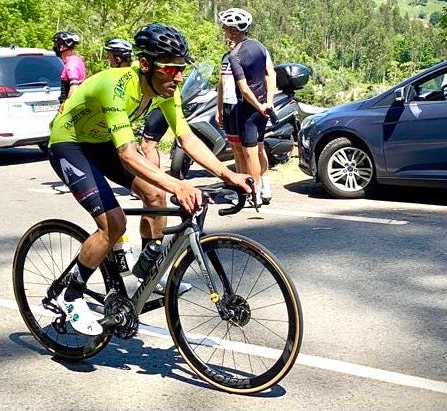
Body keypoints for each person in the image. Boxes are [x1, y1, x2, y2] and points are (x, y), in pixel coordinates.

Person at [48, 24, 252, 335]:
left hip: (101, 142)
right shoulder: (116, 86)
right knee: (113, 223)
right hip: (69, 144)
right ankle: (71, 293)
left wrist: (228, 174)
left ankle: (149, 269)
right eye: (171, 69)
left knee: (156, 195)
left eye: (181, 69)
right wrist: (180, 184)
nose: (178, 77)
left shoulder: (167, 90)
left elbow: (187, 138)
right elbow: (130, 155)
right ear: (145, 65)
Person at [219, 8, 276, 206]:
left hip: (245, 108)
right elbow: (271, 74)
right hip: (260, 107)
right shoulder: (260, 47)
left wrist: (258, 105)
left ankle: (254, 193)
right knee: (258, 149)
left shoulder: (234, 56)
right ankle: (264, 189)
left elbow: (243, 88)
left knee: (249, 152)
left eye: (225, 27)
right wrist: (268, 102)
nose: (223, 30)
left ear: (233, 30)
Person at [105, 38, 167, 173]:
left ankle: (153, 180)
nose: (107, 60)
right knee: (145, 146)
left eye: (109, 56)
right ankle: (153, 180)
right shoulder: (130, 69)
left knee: (147, 145)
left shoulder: (132, 72)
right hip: (154, 106)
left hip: (160, 105)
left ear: (118, 58)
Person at [51, 31, 87, 193]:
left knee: (61, 144)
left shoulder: (71, 63)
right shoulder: (76, 60)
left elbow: (74, 85)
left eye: (56, 45)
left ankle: (74, 178)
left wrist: (66, 108)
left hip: (71, 108)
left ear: (61, 47)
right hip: (78, 108)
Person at [216, 40, 241, 173]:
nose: (229, 40)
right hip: (227, 105)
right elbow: (221, 84)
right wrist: (218, 109)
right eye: (227, 36)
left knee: (247, 148)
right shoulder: (225, 57)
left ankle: (258, 183)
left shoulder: (244, 55)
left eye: (233, 36)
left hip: (240, 104)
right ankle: (241, 179)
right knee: (234, 146)